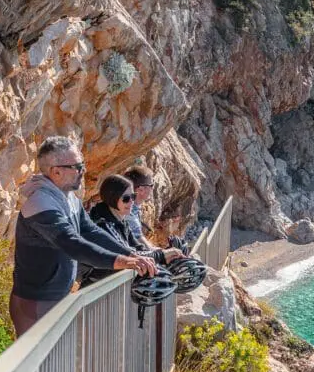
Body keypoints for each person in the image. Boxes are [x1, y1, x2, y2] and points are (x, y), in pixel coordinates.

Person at [11, 136, 157, 337]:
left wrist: (131, 254)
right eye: (77, 166)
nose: (83, 171)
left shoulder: (68, 198)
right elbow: (73, 244)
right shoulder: (41, 203)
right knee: (42, 367)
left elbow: (91, 231)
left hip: (57, 296)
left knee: (58, 365)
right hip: (36, 302)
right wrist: (123, 261)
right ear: (56, 171)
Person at [79, 175, 184, 285]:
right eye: (126, 199)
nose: (131, 202)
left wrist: (165, 255)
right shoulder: (102, 224)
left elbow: (138, 248)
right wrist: (162, 255)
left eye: (133, 197)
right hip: (94, 292)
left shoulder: (120, 221)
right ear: (113, 198)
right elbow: (127, 255)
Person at [123, 165, 156, 249]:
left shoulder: (129, 205)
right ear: (141, 189)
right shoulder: (128, 212)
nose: (152, 189)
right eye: (151, 185)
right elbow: (143, 246)